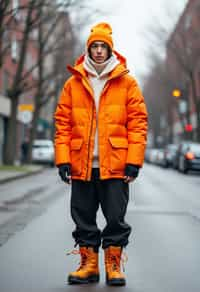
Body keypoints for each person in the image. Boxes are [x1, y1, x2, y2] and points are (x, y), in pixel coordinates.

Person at [54, 22, 148, 286]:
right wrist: (63, 160)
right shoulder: (73, 83)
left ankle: (114, 266)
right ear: (88, 49)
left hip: (116, 165)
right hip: (81, 164)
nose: (98, 51)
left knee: (115, 218)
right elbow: (62, 123)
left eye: (102, 46)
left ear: (110, 50)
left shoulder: (127, 82)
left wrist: (133, 162)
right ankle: (89, 265)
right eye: (94, 46)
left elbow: (138, 123)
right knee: (82, 217)